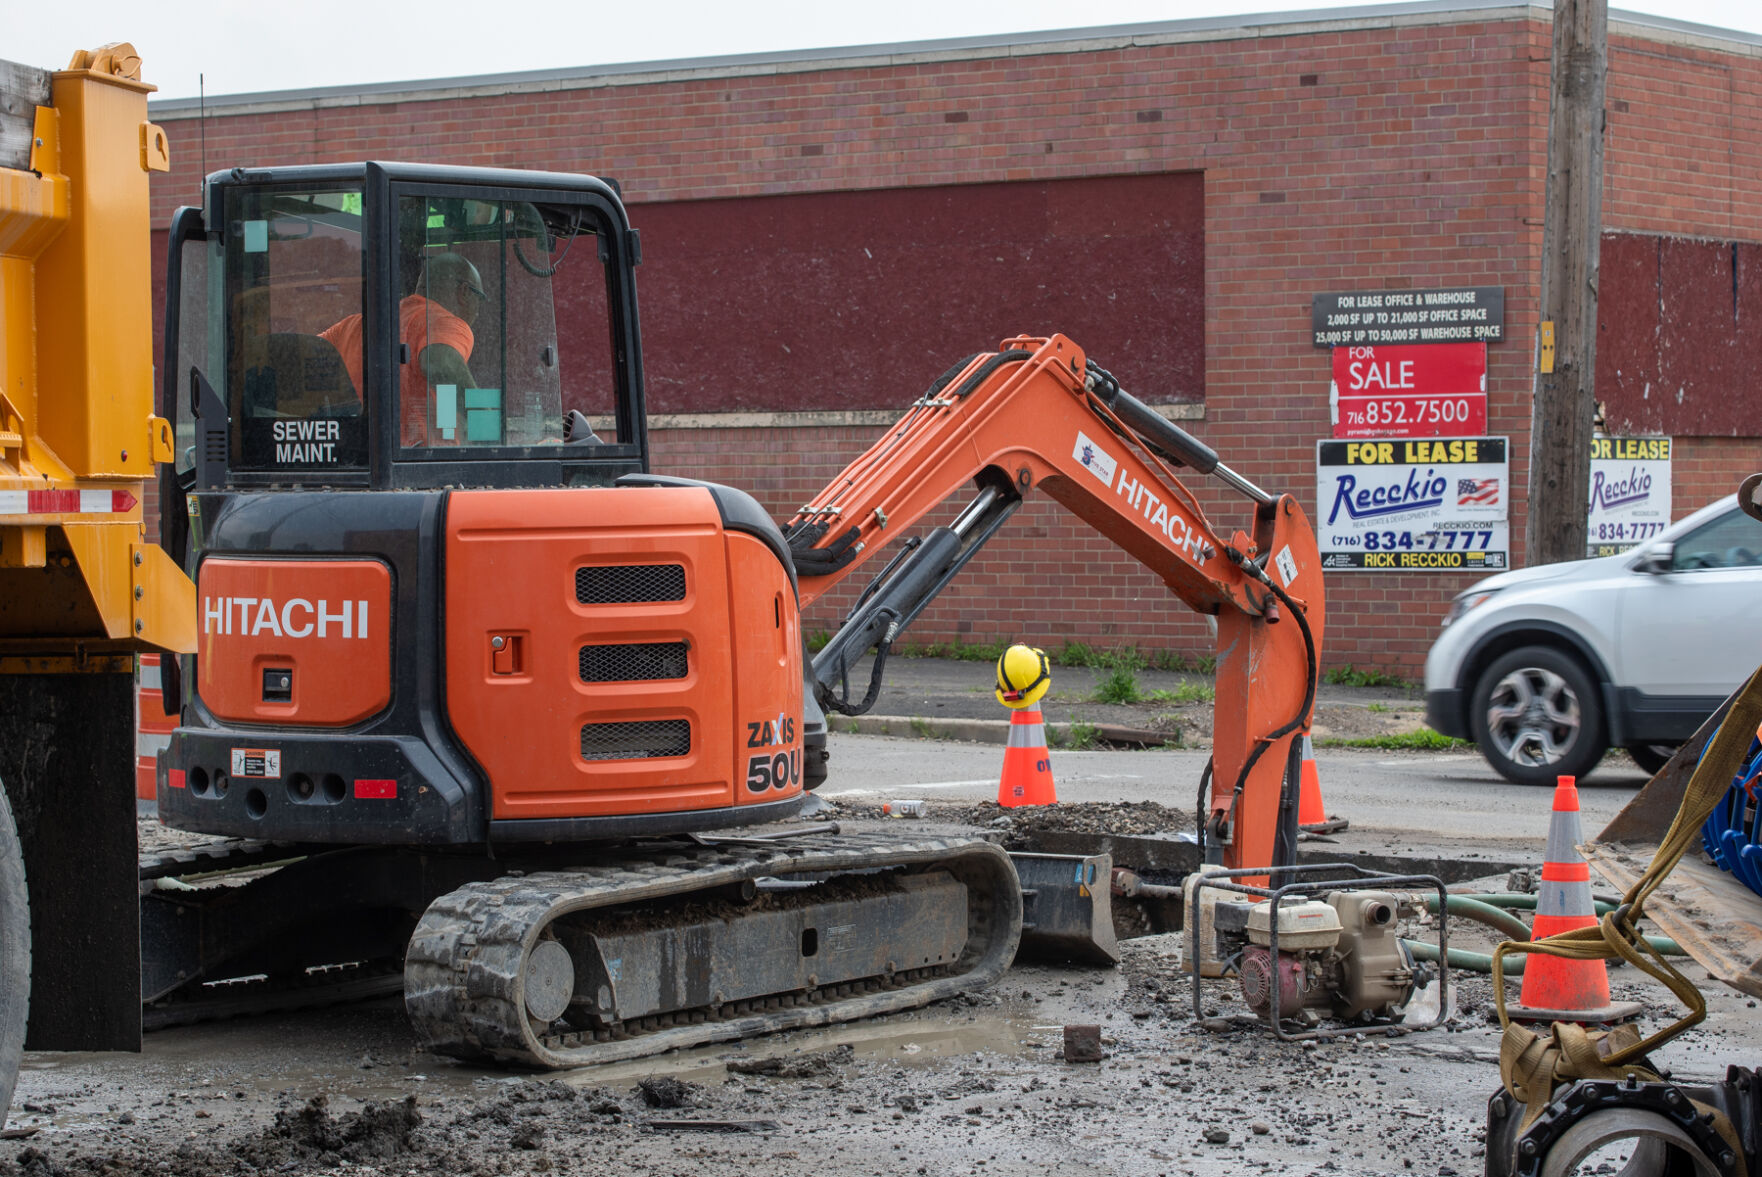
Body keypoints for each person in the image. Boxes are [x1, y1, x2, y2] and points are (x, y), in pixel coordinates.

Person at [319, 252, 486, 446]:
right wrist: (486, 424)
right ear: (464, 292)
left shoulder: (352, 325)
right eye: (479, 299)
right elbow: (439, 365)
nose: (478, 311)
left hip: (360, 453)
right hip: (422, 463)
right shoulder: (447, 322)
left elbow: (299, 354)